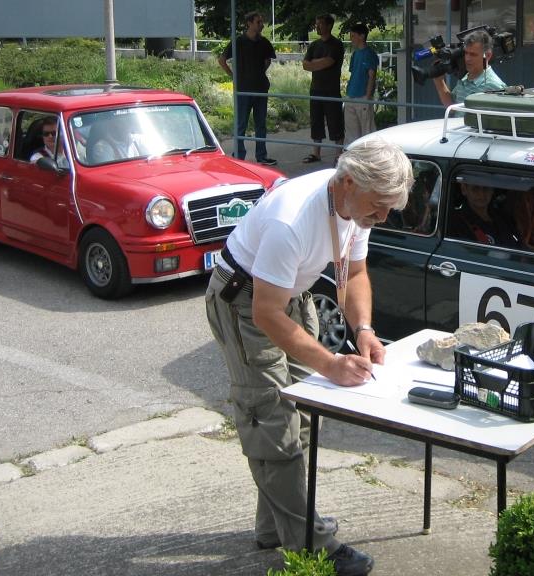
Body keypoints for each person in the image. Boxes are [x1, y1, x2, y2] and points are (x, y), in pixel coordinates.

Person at [204, 138, 413, 576]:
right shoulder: (292, 219)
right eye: (378, 206)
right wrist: (331, 364)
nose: (382, 217)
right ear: (349, 182)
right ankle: (311, 544)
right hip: (246, 301)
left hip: (291, 296)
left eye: (389, 208)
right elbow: (265, 312)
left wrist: (364, 330)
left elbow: (356, 272)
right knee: (271, 418)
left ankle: (278, 526)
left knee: (301, 414)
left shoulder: (357, 204)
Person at [218, 11, 277, 166]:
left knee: (261, 124)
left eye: (262, 22)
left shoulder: (264, 42)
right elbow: (222, 60)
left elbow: (268, 60)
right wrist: (234, 76)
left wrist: (259, 72)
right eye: (258, 22)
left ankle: (261, 156)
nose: (262, 25)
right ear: (249, 23)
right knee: (241, 123)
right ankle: (238, 156)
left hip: (260, 88)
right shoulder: (239, 41)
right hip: (243, 90)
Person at [303, 14, 345, 164]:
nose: (317, 26)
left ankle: (339, 154)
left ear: (329, 26)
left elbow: (329, 62)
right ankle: (316, 154)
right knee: (316, 121)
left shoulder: (336, 44)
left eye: (320, 24)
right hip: (315, 89)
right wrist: (317, 63)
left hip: (331, 90)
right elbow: (305, 65)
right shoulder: (314, 45)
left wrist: (314, 63)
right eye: (316, 23)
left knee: (335, 121)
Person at [431, 29, 506, 107]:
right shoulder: (466, 78)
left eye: (473, 54)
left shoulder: (494, 87)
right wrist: (438, 80)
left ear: (487, 55)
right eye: (466, 53)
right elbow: (453, 107)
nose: (467, 59)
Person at [446, 183, 519, 246]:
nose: (481, 194)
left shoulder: (504, 218)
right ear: (464, 189)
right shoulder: (455, 222)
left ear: (492, 190)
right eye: (475, 188)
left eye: (486, 188)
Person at [344, 23, 379, 145]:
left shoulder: (370, 54)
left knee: (367, 131)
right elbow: (354, 73)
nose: (351, 39)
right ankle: (353, 153)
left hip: (363, 96)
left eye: (353, 36)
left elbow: (372, 76)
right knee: (351, 132)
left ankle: (369, 154)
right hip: (351, 95)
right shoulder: (355, 54)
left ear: (362, 36)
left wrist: (367, 97)